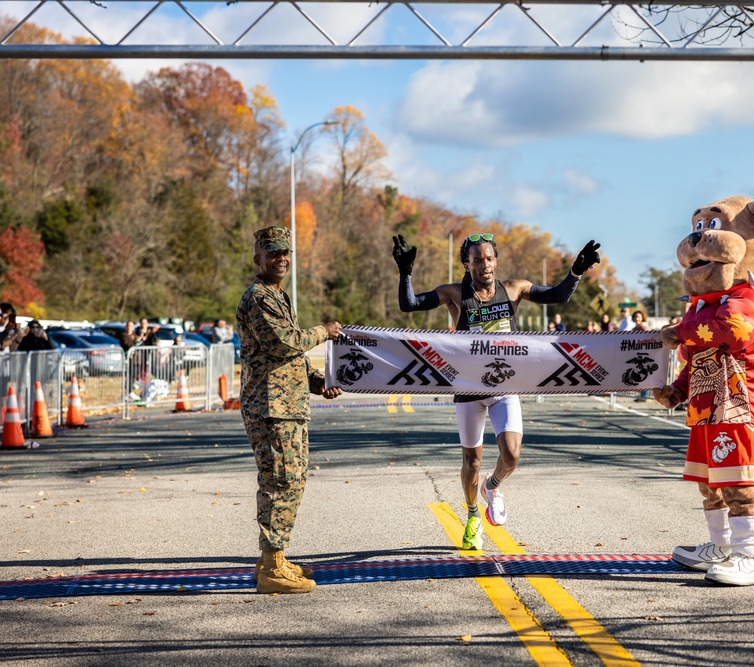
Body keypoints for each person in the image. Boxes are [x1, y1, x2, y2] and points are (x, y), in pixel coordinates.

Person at [392, 232, 601, 550]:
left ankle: (493, 486)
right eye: (477, 259)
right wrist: (405, 273)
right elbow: (409, 305)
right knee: (471, 462)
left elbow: (558, 296)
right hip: (469, 390)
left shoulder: (514, 288)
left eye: (489, 258)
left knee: (512, 454)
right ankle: (473, 516)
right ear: (467, 263)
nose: (485, 264)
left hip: (505, 387)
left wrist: (576, 271)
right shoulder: (454, 293)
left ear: (496, 261)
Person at [237, 225, 343, 594]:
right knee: (280, 482)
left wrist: (318, 381)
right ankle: (270, 568)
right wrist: (323, 331)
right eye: (274, 253)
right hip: (270, 408)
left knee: (291, 480)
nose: (281, 259)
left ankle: (276, 558)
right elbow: (286, 343)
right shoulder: (259, 298)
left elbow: (289, 358)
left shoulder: (278, 296)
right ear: (259, 258)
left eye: (286, 253)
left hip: (287, 405)